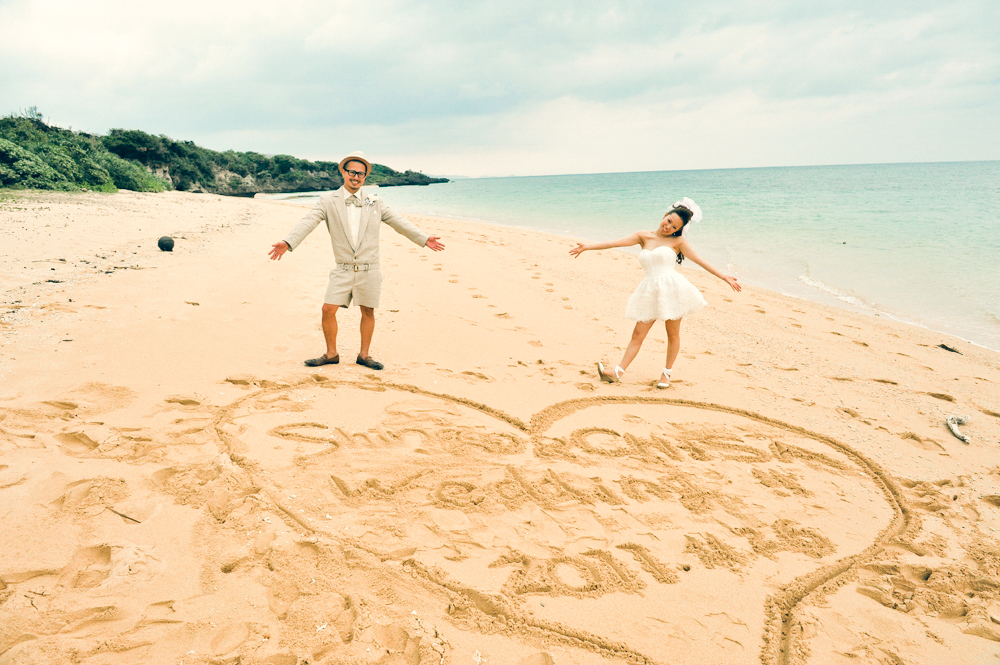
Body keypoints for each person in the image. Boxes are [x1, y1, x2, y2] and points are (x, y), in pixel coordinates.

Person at [268, 151, 445, 369]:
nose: (356, 177)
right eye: (352, 172)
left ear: (364, 177)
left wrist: (423, 238)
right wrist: (288, 242)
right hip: (342, 268)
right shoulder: (327, 201)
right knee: (327, 310)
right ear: (343, 172)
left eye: (361, 174)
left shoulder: (374, 201)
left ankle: (364, 355)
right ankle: (331, 354)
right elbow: (308, 221)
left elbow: (399, 222)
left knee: (368, 311)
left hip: (370, 268)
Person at [569, 197, 740, 388]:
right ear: (665, 215)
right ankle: (618, 372)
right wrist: (587, 247)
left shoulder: (679, 242)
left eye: (674, 227)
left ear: (678, 230)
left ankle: (666, 375)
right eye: (668, 221)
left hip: (673, 289)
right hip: (650, 290)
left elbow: (700, 261)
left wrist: (724, 277)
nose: (668, 227)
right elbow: (615, 243)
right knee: (637, 334)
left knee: (672, 334)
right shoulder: (644, 236)